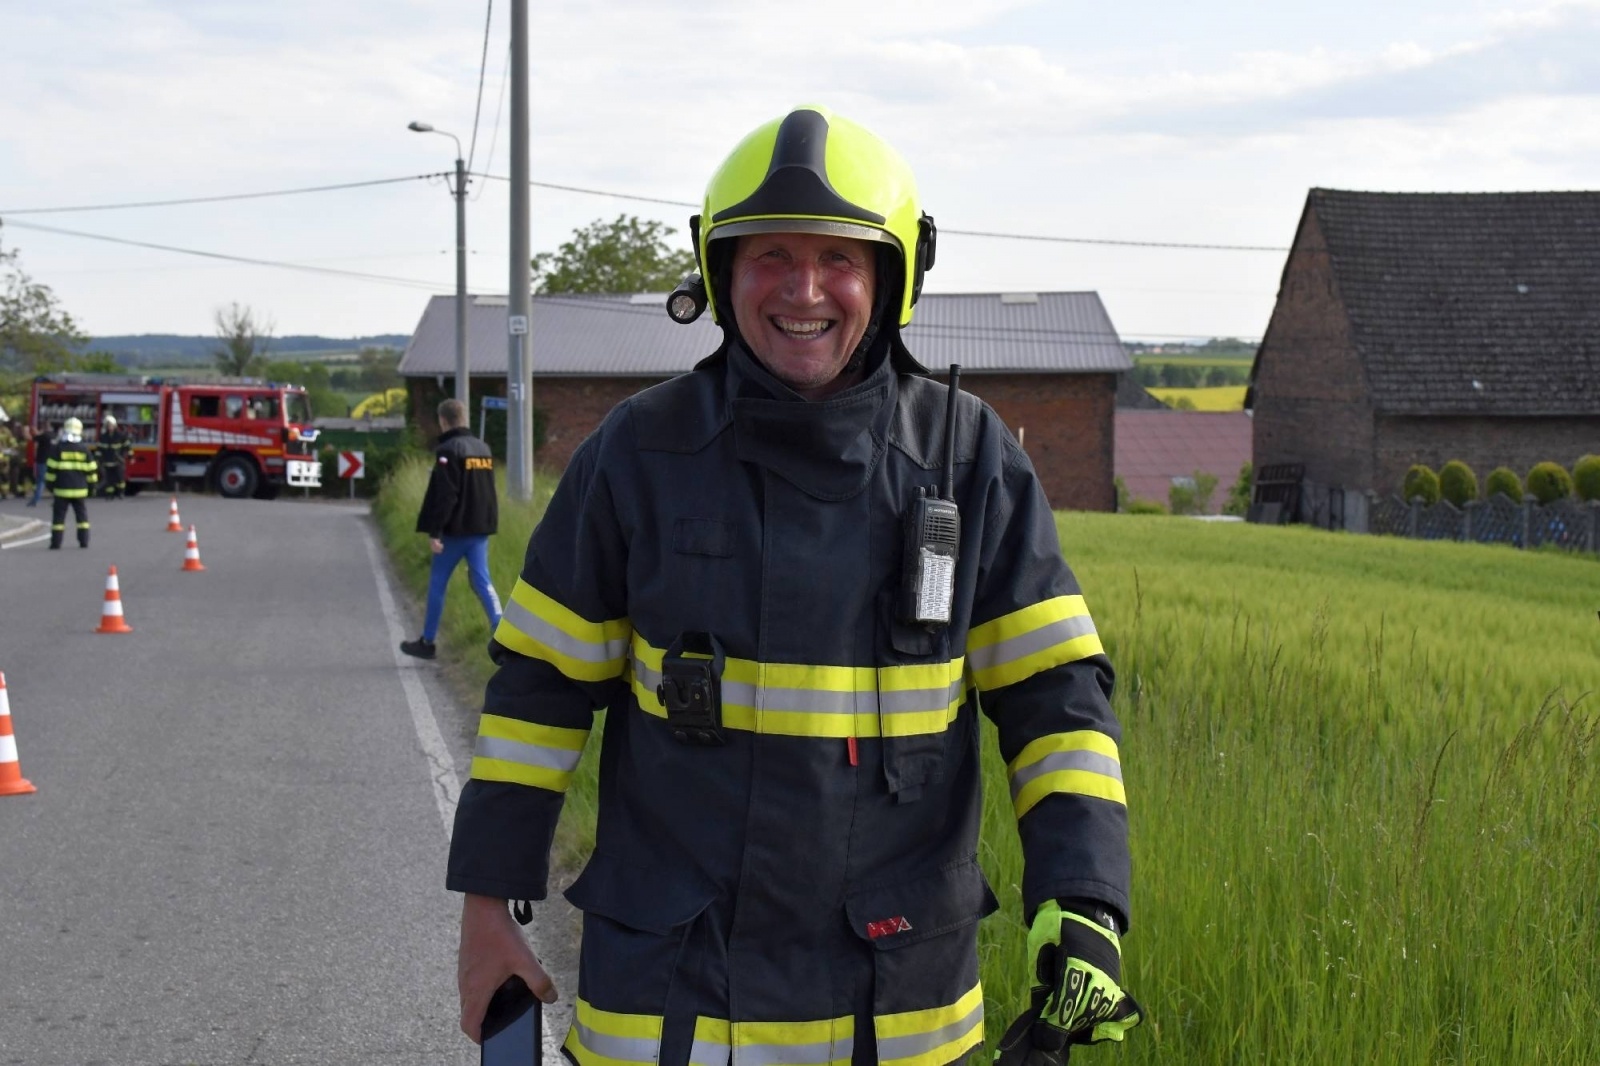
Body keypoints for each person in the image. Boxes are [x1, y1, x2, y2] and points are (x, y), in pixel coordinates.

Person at [446, 106, 1141, 1066]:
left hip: (896, 1011)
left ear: (892, 276)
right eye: (769, 255)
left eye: (840, 258)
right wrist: (487, 913)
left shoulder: (969, 457)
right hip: (669, 1005)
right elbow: (538, 695)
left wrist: (1086, 899)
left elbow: (1055, 702)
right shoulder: (638, 454)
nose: (804, 288)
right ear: (721, 273)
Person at [399, 398, 502, 660]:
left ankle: (428, 642)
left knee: (437, 583)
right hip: (481, 529)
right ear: (464, 418)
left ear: (443, 421)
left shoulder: (448, 450)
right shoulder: (483, 448)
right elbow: (488, 492)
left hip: (455, 531)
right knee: (482, 580)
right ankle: (502, 632)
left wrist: (436, 532)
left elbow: (446, 495)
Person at [46, 417, 96, 549]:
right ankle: (84, 541)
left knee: (58, 519)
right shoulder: (84, 449)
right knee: (82, 518)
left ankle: (56, 543)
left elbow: (51, 470)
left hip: (61, 490)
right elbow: (91, 471)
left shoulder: (58, 449)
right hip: (80, 491)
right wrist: (91, 488)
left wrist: (50, 486)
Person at [96, 414, 131, 499]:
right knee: (109, 480)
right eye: (108, 425)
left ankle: (121, 493)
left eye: (111, 425)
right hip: (107, 462)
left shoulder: (120, 436)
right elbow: (99, 450)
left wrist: (130, 456)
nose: (110, 427)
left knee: (120, 479)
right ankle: (109, 495)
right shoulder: (103, 437)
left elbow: (127, 446)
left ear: (114, 425)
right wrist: (98, 460)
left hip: (118, 461)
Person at [26, 423, 56, 508]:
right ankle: (57, 500)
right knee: (52, 481)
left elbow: (31, 438)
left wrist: (27, 431)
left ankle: (35, 500)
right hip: (51, 461)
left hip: (42, 461)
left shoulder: (43, 436)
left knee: (40, 481)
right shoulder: (52, 436)